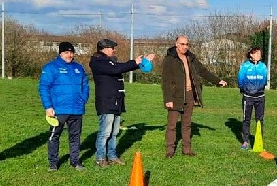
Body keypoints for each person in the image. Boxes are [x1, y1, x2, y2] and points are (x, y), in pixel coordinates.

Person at [89, 38, 154, 167]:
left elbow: (119, 67)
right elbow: (115, 70)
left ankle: (112, 156)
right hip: (106, 102)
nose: (114, 50)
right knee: (105, 133)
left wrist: (139, 62)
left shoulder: (109, 62)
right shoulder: (97, 62)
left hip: (116, 102)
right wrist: (134, 62)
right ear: (105, 49)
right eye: (112, 48)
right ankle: (100, 158)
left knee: (114, 132)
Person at [161, 35, 227, 158]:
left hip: (190, 95)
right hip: (175, 96)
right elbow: (165, 81)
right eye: (182, 44)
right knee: (172, 125)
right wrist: (168, 99)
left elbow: (203, 71)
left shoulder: (191, 58)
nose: (185, 46)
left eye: (187, 44)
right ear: (176, 44)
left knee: (187, 124)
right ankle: (170, 150)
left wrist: (218, 81)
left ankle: (187, 149)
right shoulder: (169, 60)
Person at [38, 41, 89, 171]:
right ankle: (53, 163)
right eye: (66, 52)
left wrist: (83, 99)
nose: (69, 55)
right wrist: (48, 106)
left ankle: (75, 161)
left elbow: (85, 85)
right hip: (58, 110)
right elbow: (44, 87)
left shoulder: (79, 68)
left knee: (75, 137)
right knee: (54, 136)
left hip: (77, 109)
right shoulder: (51, 68)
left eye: (71, 52)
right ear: (60, 53)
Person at [237, 46, 268, 150]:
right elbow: (240, 80)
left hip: (260, 97)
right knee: (246, 119)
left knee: (260, 120)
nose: (259, 55)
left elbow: (264, 80)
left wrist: (259, 89)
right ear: (251, 54)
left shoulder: (263, 66)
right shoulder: (245, 66)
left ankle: (259, 140)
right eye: (257, 53)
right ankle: (246, 141)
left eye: (260, 53)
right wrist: (245, 90)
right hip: (248, 97)